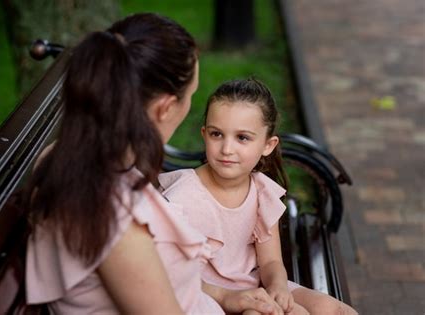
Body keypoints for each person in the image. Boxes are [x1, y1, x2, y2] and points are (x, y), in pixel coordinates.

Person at [24, 13, 278, 314]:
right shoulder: (113, 218)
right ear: (166, 107)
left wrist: (224, 297)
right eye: (190, 97)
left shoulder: (72, 157)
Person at [159, 78, 358, 315]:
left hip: (253, 285)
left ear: (268, 144)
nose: (227, 149)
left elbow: (271, 262)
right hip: (208, 297)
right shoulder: (182, 197)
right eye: (217, 134)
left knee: (334, 310)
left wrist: (277, 287)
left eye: (242, 137)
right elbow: (170, 273)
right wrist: (231, 297)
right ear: (204, 134)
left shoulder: (262, 192)